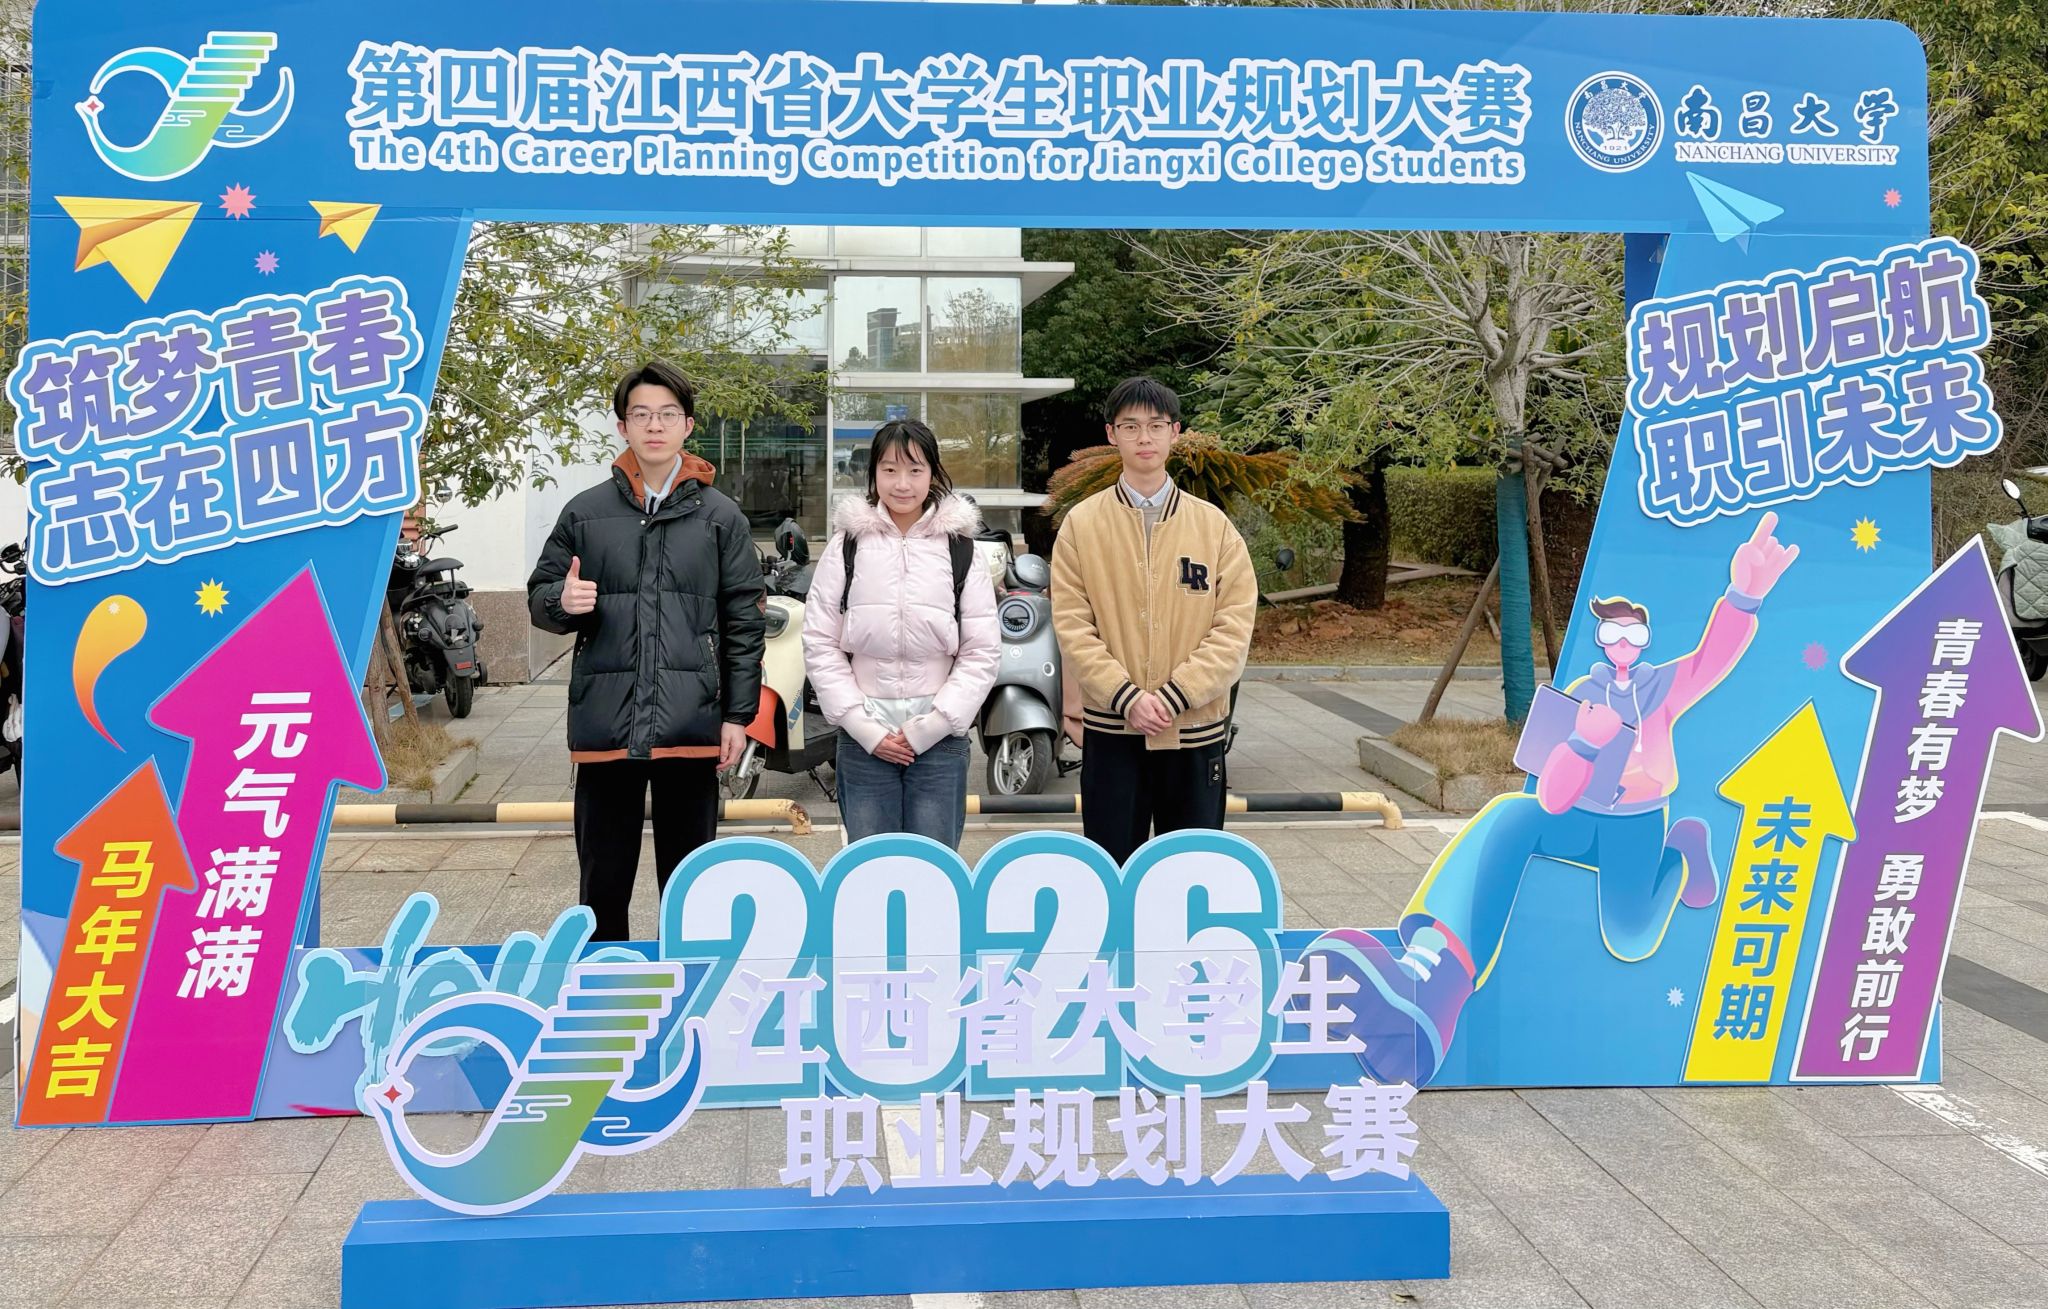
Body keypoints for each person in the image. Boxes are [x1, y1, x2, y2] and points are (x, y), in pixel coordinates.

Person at [1305, 512, 1800, 1087]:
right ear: (1600, 640)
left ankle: (1681, 850)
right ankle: (1428, 990)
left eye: (1632, 634)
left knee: (1632, 937)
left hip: (1638, 824)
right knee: (1509, 816)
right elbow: (1555, 794)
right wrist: (1584, 742)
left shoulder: (1661, 688)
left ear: (1644, 640)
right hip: (1580, 818)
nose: (1621, 643)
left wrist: (1743, 596)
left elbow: (1710, 660)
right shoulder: (1582, 695)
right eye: (1611, 634)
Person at [527, 361, 765, 941]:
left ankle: (687, 986)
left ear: (688, 425)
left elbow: (743, 622)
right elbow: (540, 597)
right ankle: (603, 985)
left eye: (667, 415)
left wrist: (738, 716)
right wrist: (562, 601)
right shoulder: (585, 513)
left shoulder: (721, 517)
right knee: (602, 886)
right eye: (641, 415)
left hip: (692, 722)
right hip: (607, 726)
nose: (654, 426)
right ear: (622, 427)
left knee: (690, 889)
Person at [1051, 377, 1256, 866]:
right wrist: (1126, 698)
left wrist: (1173, 696)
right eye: (1131, 426)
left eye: (1156, 426)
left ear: (1175, 433)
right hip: (1113, 732)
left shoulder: (1213, 527)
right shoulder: (1082, 524)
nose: (1144, 437)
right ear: (1111, 434)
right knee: (1111, 870)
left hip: (1194, 729)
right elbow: (1073, 627)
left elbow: (1234, 629)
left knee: (1191, 872)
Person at [804, 420, 1000, 845]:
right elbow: (819, 641)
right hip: (863, 739)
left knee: (934, 868)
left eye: (915, 469)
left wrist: (932, 726)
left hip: (940, 739)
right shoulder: (847, 544)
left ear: (933, 472)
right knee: (870, 867)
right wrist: (864, 728)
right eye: (889, 470)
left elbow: (982, 650)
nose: (902, 484)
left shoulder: (961, 548)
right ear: (873, 473)